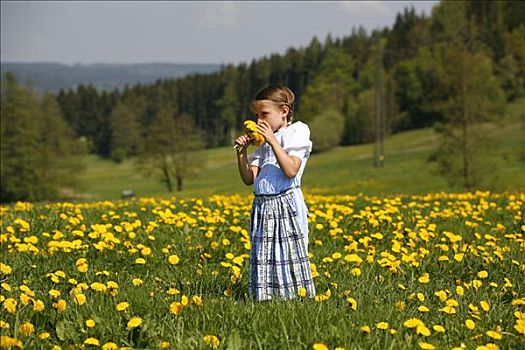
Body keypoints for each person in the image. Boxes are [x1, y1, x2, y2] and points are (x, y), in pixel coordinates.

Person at [234, 85, 316, 301]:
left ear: (284, 111)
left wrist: (271, 140)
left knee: (288, 255)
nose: (259, 120)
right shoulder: (263, 144)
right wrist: (242, 153)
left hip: (285, 203)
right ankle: (266, 298)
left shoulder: (297, 132)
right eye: (257, 115)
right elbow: (249, 179)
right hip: (263, 206)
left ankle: (295, 299)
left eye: (264, 114)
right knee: (264, 256)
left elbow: (290, 170)